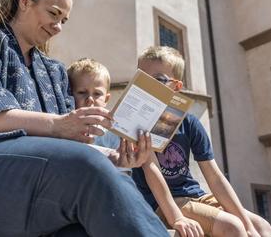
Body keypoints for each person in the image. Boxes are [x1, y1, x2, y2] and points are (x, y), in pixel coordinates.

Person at [0, 0, 169, 237]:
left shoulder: (55, 71)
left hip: (31, 190)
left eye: (64, 20)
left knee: (82, 229)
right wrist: (58, 124)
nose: (58, 26)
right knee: (87, 165)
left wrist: (116, 158)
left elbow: (67, 148)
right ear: (26, 1)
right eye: (53, 13)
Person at [133, 46, 271, 237]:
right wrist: (177, 218)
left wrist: (248, 224)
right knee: (232, 227)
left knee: (261, 226)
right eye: (142, 78)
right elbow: (151, 169)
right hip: (162, 202)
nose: (149, 85)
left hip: (195, 195)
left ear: (176, 86)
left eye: (157, 80)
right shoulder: (138, 122)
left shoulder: (188, 122)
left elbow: (214, 176)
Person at [67, 58, 205, 237]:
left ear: (107, 98)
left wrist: (177, 218)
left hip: (120, 202)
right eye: (82, 92)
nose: (90, 100)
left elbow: (150, 167)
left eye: (97, 94)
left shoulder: (120, 129)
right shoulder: (66, 130)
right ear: (70, 94)